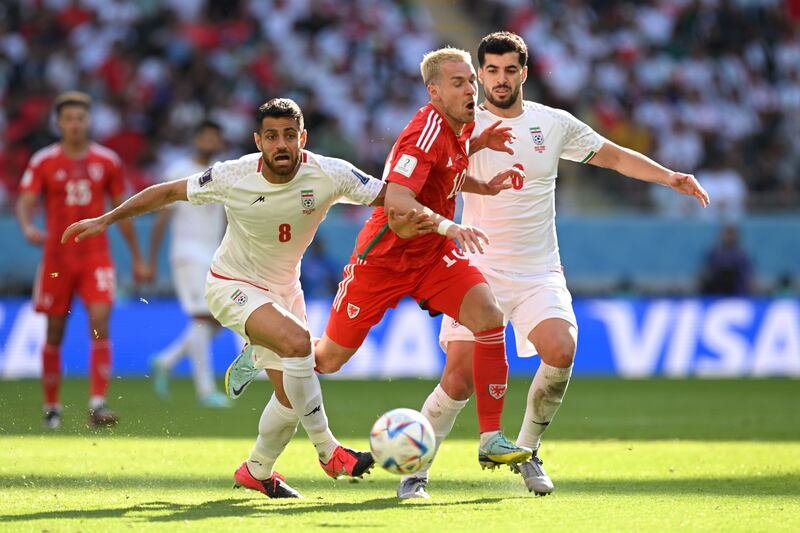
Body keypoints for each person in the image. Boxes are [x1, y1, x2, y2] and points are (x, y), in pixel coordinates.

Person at [62, 97, 433, 498]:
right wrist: (106, 218)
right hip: (231, 283)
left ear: (302, 138)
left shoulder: (329, 173)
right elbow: (167, 193)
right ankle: (330, 452)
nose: (281, 144)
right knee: (296, 345)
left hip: (285, 290)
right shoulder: (233, 175)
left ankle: (256, 470)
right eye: (272, 136)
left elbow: (393, 197)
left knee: (291, 397)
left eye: (289, 136)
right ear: (258, 141)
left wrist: (451, 197)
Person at [411, 31, 710, 499]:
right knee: (459, 379)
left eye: (510, 69)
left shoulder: (553, 124)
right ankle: (415, 469)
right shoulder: (460, 124)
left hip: (537, 270)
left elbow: (612, 156)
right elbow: (424, 170)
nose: (500, 79)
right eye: (490, 70)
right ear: (479, 74)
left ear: (524, 73)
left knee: (562, 350)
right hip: (476, 269)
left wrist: (669, 176)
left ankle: (526, 451)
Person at [225, 47, 533, 481]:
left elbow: (449, 172)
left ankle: (490, 439)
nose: (472, 88)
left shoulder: (463, 125)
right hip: (384, 260)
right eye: (460, 82)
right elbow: (399, 205)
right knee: (327, 360)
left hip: (431, 257)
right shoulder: (422, 132)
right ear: (434, 92)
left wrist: (485, 180)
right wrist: (449, 227)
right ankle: (266, 348)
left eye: (471, 80)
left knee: (488, 316)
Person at [16, 90, 149, 429]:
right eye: (69, 119)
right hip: (57, 259)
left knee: (100, 321)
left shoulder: (107, 162)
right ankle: (52, 407)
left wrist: (137, 257)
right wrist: (28, 226)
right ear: (58, 123)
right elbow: (26, 200)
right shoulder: (44, 161)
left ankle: (97, 404)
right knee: (55, 330)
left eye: (81, 118)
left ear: (89, 122)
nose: (75, 125)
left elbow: (123, 209)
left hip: (95, 256)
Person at [147, 119, 230, 407]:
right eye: (204, 136)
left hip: (213, 254)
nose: (209, 142)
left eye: (214, 137)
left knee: (219, 318)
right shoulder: (179, 171)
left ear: (220, 142)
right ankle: (205, 391)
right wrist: (150, 260)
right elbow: (163, 217)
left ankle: (166, 361)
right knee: (201, 318)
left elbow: (226, 219)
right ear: (196, 139)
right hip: (186, 253)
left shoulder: (223, 172)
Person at [699, 225, 752, 295]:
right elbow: (707, 273)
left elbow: (747, 276)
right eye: (727, 234)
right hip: (716, 292)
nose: (729, 237)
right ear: (722, 236)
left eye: (731, 234)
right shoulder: (715, 254)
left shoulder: (741, 255)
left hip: (737, 293)